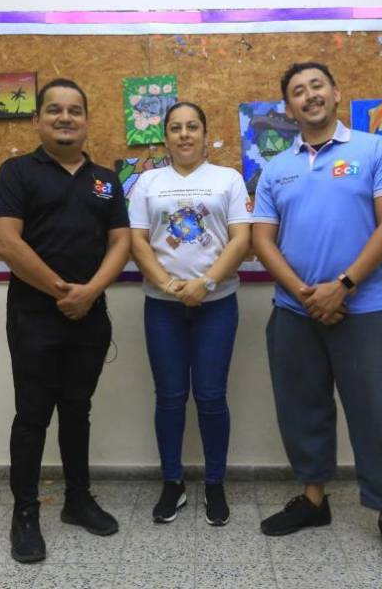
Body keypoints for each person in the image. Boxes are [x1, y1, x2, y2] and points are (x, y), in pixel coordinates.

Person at [251, 62, 382, 575]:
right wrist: (304, 294)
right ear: (287, 108)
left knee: (376, 414)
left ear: (335, 93)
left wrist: (342, 286)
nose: (309, 96)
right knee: (302, 410)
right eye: (298, 92)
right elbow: (261, 240)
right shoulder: (276, 167)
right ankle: (314, 501)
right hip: (294, 312)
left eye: (316, 86)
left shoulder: (375, 150)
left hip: (364, 309)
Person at [0, 78, 131, 563]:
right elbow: (8, 243)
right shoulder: (16, 172)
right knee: (31, 418)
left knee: (77, 410)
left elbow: (121, 242)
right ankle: (25, 514)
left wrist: (90, 293)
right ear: (38, 120)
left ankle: (77, 500)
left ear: (87, 119)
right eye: (54, 110)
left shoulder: (106, 179)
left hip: (90, 317)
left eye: (74, 110)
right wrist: (62, 292)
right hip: (34, 318)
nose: (65, 118)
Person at [129, 101, 251, 526]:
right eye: (176, 128)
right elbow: (138, 241)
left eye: (192, 127)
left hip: (216, 306)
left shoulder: (227, 179)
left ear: (205, 134)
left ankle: (215, 484)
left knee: (212, 397)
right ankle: (173, 483)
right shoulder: (147, 181)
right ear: (165, 136)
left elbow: (241, 239)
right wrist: (167, 284)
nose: (184, 134)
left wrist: (206, 284)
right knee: (170, 397)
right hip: (162, 307)